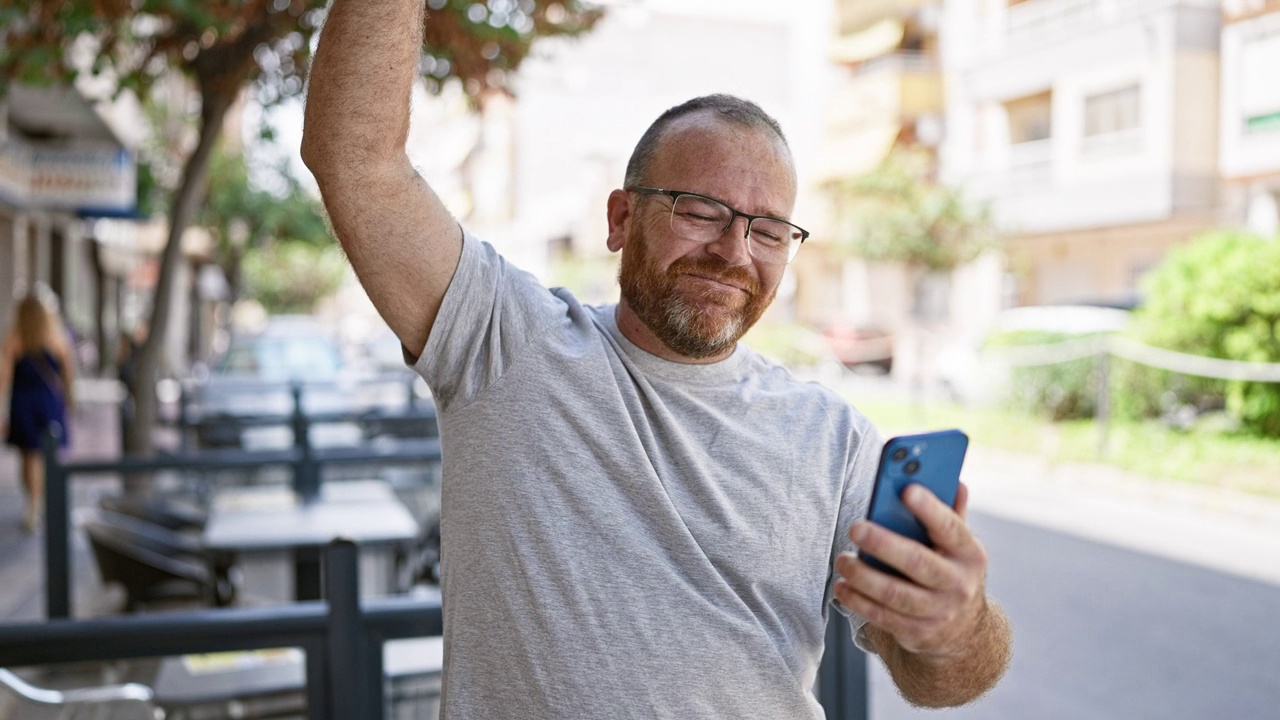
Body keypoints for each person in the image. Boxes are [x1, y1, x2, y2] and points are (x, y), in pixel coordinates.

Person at [302, 2, 1012, 716]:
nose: (735, 252)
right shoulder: (502, 342)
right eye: (701, 211)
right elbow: (354, 159)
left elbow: (936, 678)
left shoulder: (835, 440)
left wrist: (956, 628)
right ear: (620, 219)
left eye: (768, 230)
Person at [1, 289, 76, 533]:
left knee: (28, 457)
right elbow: (68, 376)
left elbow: (4, 379)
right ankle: (38, 500)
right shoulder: (57, 338)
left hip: (23, 403)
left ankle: (34, 502)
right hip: (49, 403)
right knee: (43, 458)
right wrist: (69, 402)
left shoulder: (15, 339)